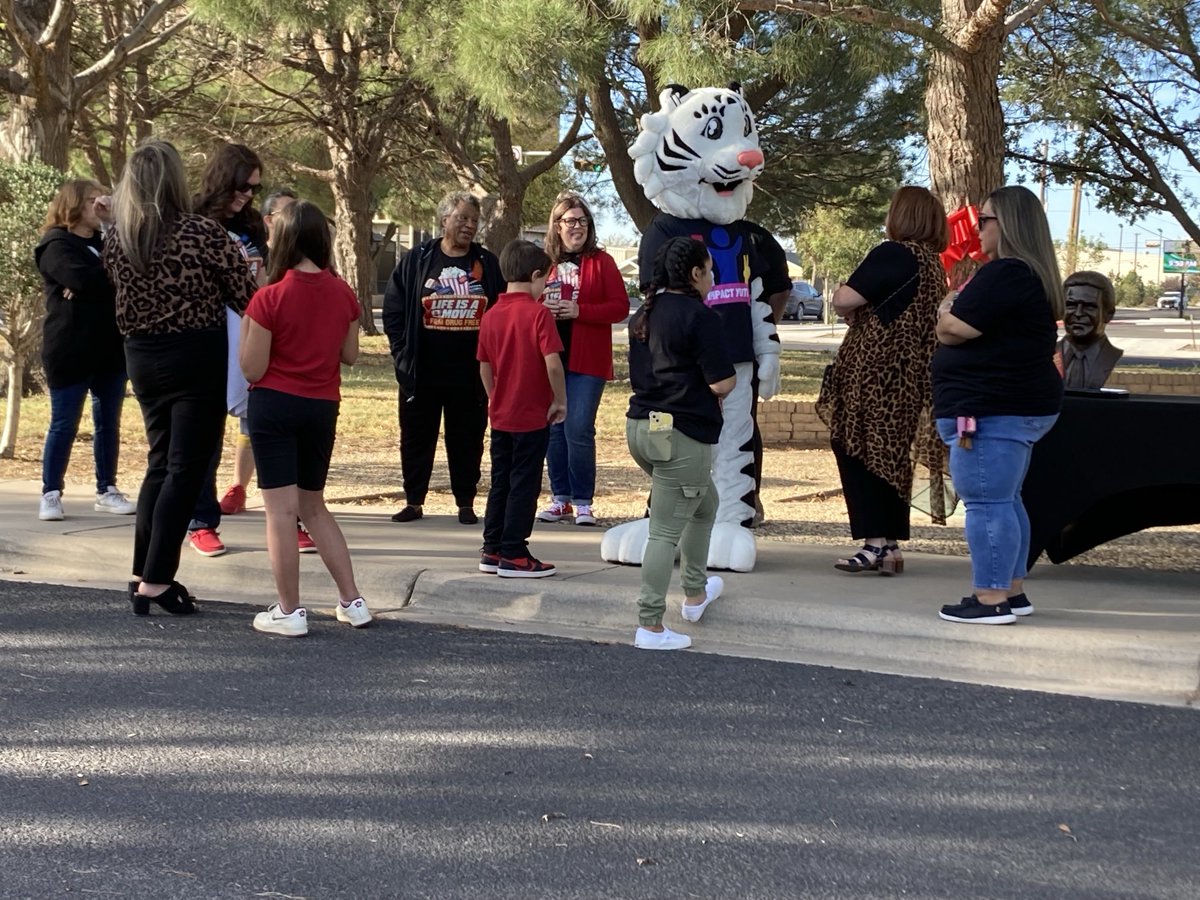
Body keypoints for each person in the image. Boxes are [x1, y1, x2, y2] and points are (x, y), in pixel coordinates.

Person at [103, 139, 256, 616]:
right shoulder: (202, 234)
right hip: (195, 355)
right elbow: (246, 296)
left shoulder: (119, 238)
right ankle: (156, 580)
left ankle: (141, 571)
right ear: (175, 180)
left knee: (159, 462)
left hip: (142, 357)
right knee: (186, 468)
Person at [932, 185, 1065, 624]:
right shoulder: (1027, 275)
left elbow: (955, 328)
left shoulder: (1006, 272)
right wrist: (950, 312)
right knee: (1006, 500)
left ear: (1006, 224)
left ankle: (990, 599)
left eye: (984, 220)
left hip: (990, 409)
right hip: (1010, 405)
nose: (977, 228)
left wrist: (946, 314)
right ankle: (1012, 591)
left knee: (987, 502)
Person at [239, 200, 369, 636]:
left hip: (274, 403)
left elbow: (251, 369)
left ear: (286, 240)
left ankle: (290, 610)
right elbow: (349, 355)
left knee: (279, 511)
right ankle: (352, 600)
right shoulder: (343, 293)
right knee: (314, 505)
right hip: (322, 405)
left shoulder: (269, 297)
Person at [817, 186, 950, 575]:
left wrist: (854, 306)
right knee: (891, 458)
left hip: (873, 372)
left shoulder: (893, 253)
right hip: (910, 377)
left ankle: (874, 544)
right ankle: (890, 544)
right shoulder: (932, 265)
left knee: (858, 449)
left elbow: (844, 298)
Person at [626, 237, 736, 651]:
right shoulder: (700, 317)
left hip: (642, 429)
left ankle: (696, 592)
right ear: (695, 274)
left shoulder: (646, 312)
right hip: (681, 435)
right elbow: (722, 381)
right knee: (665, 531)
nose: (712, 278)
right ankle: (650, 624)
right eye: (710, 270)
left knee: (704, 504)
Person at [382, 191, 504, 526]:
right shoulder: (417, 259)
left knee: (467, 438)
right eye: (463, 218)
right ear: (444, 220)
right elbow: (393, 309)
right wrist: (401, 351)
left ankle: (465, 502)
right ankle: (414, 501)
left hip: (470, 373)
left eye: (474, 221)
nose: (469, 226)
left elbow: (502, 307)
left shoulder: (486, 263)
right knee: (416, 436)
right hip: (422, 372)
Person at [216, 188, 317, 552]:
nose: (295, 220)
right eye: (287, 213)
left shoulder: (312, 266)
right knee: (250, 418)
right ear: (269, 221)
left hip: (298, 379)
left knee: (287, 444)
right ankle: (238, 487)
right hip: (261, 358)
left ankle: (296, 520)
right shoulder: (256, 252)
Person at [185, 142, 269, 558]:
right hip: (202, 338)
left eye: (254, 188)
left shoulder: (253, 227)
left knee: (260, 425)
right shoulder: (192, 220)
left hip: (250, 334)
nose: (247, 195)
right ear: (223, 179)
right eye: (242, 185)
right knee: (204, 435)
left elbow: (265, 281)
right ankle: (200, 521)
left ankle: (288, 517)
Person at [34, 179, 136, 521]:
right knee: (64, 422)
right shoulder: (55, 244)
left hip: (110, 349)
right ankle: (51, 491)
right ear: (75, 204)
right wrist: (99, 282)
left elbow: (130, 273)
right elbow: (83, 280)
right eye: (94, 199)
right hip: (70, 349)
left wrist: (110, 230)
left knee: (109, 422)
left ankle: (107, 488)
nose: (101, 203)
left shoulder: (106, 240)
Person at [535, 192, 631, 527]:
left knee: (578, 428)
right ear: (557, 226)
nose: (577, 227)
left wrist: (580, 310)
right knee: (554, 429)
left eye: (582, 221)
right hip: (549, 359)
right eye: (570, 221)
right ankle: (560, 498)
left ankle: (583, 501)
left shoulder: (601, 262)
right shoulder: (542, 262)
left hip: (587, 361)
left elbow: (620, 307)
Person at [476, 241, 566, 578]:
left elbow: (484, 364)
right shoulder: (539, 314)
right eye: (546, 280)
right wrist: (560, 400)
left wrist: (493, 395)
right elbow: (553, 364)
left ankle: (492, 546)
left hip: (501, 414)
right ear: (535, 275)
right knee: (524, 482)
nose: (545, 287)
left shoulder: (491, 315)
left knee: (501, 480)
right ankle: (514, 551)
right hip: (531, 415)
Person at [1058, 270, 1123, 389]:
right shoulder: (1043, 355)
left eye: (1089, 307)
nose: (1078, 313)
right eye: (1071, 305)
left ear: (1108, 314)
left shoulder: (1115, 358)